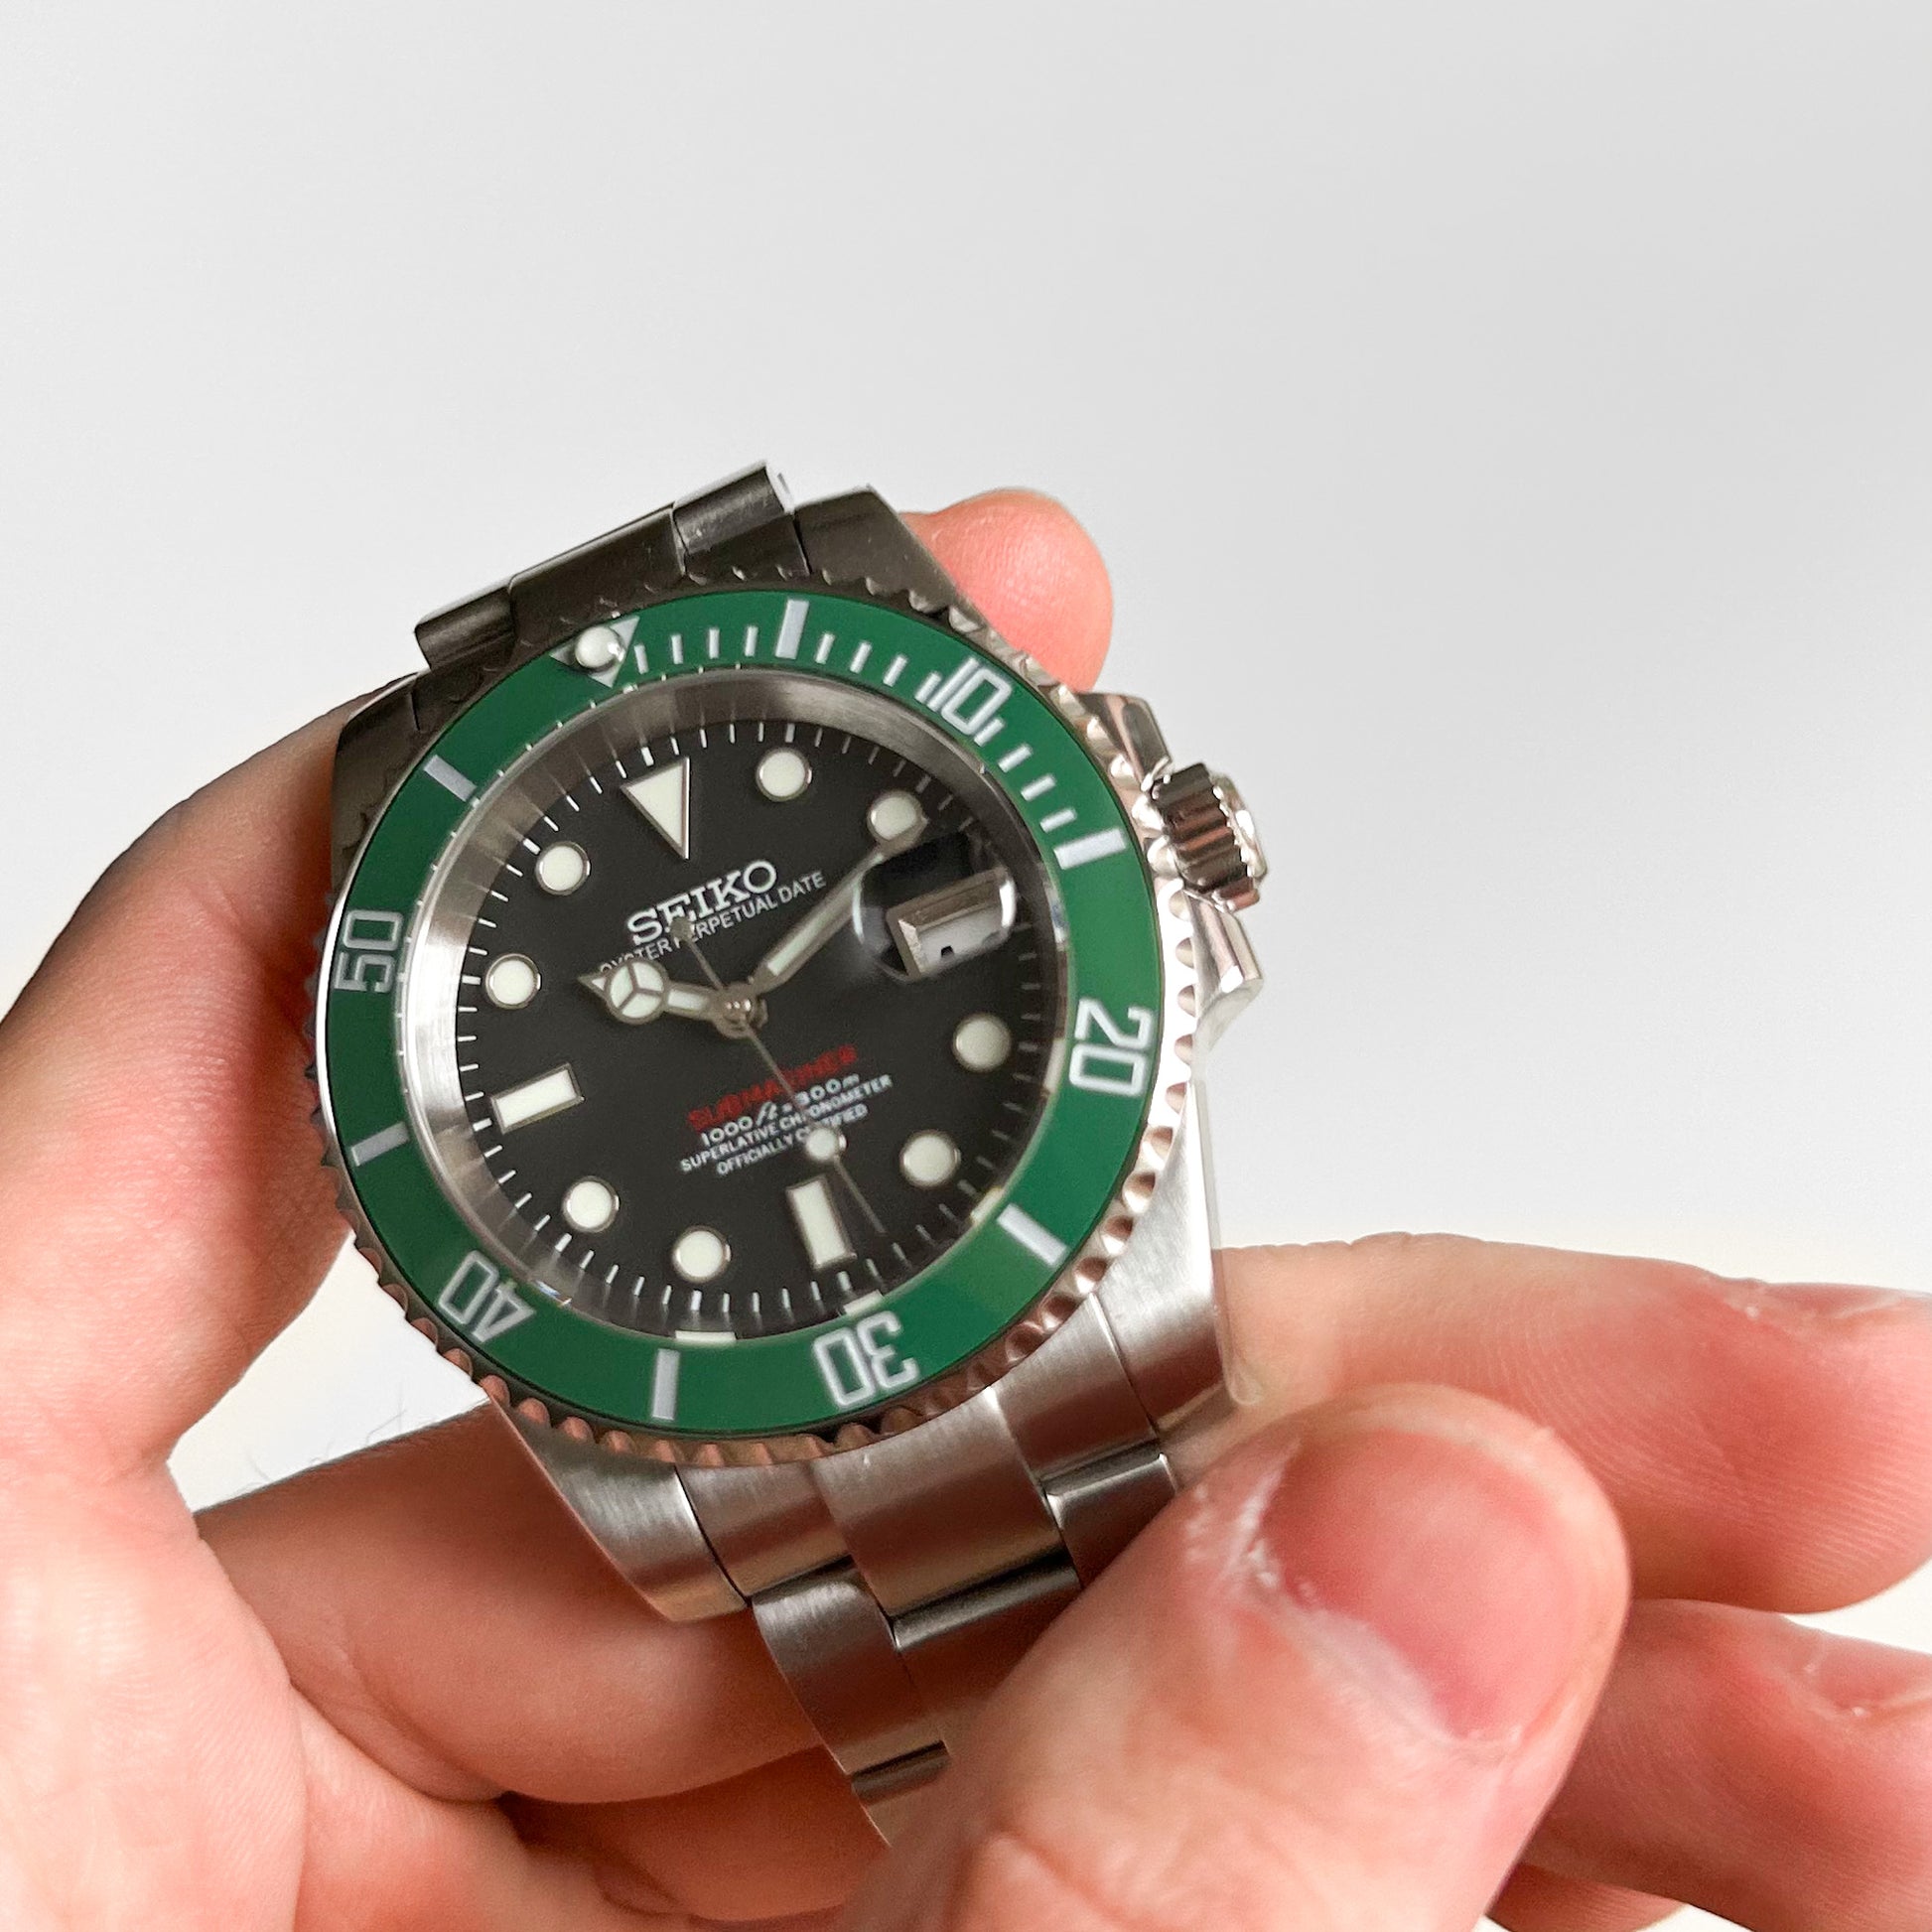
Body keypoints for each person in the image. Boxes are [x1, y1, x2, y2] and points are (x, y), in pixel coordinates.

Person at [0, 491, 1926, 1932]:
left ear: (1174, 858)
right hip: (735, 1428)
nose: (743, 1018)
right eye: (696, 1004)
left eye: (757, 991)